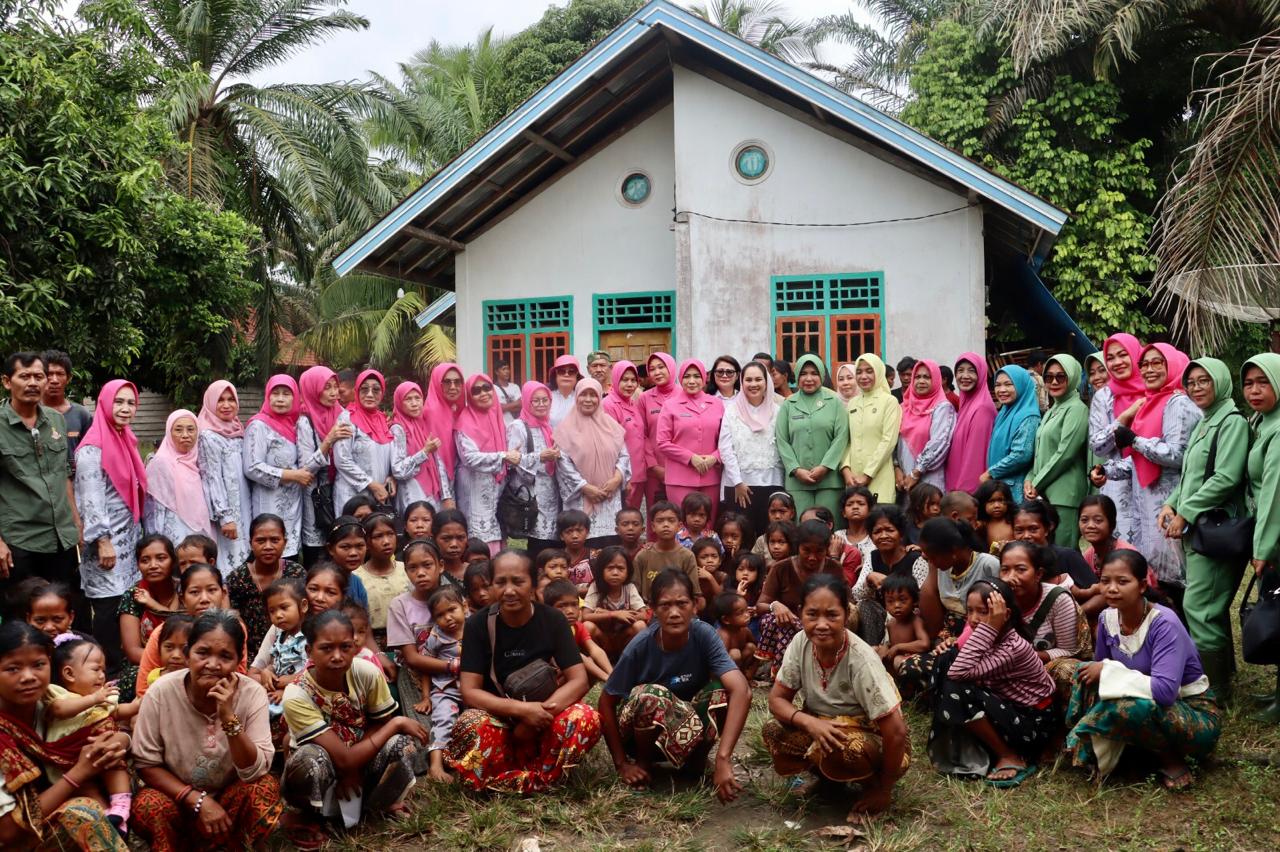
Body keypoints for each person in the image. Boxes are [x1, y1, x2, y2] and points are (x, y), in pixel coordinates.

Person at [446, 550, 602, 793]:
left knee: (585, 718)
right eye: (500, 582)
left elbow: (578, 680)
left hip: (547, 716)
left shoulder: (553, 620)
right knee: (470, 725)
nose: (509, 591)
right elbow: (470, 691)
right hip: (500, 719)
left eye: (518, 581)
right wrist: (521, 711)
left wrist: (536, 719)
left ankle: (526, 778)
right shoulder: (478, 625)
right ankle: (535, 778)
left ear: (532, 584)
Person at [1064, 550, 1220, 790]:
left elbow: (1166, 692)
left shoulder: (1164, 623)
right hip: (1146, 704)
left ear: (1142, 585)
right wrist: (1102, 672)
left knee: (1128, 705)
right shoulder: (1107, 619)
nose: (1112, 589)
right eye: (1105, 581)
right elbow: (1102, 674)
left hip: (1191, 711)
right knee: (1084, 672)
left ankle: (1170, 758)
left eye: (1122, 581)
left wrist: (1107, 672)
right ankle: (1113, 748)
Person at [131, 610, 282, 851]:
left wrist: (228, 717)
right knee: (148, 804)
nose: (212, 665)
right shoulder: (160, 692)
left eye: (225, 656)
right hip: (179, 800)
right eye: (202, 653)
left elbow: (255, 770)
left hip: (228, 802)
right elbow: (146, 764)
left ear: (237, 660)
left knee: (264, 789)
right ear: (187, 653)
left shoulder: (252, 694)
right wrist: (196, 799)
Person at [598, 569, 750, 801]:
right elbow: (606, 702)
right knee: (649, 696)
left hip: (688, 726)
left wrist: (723, 757)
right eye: (665, 605)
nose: (675, 613)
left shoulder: (704, 634)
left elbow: (742, 690)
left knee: (722, 689)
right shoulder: (640, 645)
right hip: (641, 733)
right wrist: (621, 764)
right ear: (653, 609)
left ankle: (697, 762)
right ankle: (644, 764)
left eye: (682, 603)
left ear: (695, 605)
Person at [762, 575, 909, 815]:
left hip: (876, 739)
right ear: (800, 613)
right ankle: (830, 782)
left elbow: (896, 732)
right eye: (812, 614)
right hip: (824, 726)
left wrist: (885, 790)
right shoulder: (801, 642)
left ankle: (871, 785)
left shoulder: (861, 660)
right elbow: (776, 700)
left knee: (846, 748)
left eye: (832, 615)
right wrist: (810, 722)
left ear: (846, 614)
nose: (821, 624)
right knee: (774, 732)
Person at [282, 611, 428, 842]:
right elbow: (346, 757)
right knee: (308, 760)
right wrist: (397, 722)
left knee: (401, 745)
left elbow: (378, 722)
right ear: (309, 651)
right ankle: (308, 816)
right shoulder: (297, 694)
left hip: (359, 758)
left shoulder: (366, 672)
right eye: (327, 648)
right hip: (326, 768)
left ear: (356, 648)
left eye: (346, 647)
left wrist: (354, 771)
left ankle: (380, 804)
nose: (337, 656)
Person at [1156, 357, 1249, 695]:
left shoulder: (1231, 422)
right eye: (1191, 382)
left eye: (1203, 381)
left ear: (1221, 382)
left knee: (1199, 605)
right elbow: (1191, 475)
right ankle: (1222, 677)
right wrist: (1172, 502)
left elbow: (1226, 477)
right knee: (1208, 604)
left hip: (1216, 526)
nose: (1196, 388)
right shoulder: (1206, 421)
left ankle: (1214, 689)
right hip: (1201, 525)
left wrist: (1187, 511)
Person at [0, 622, 130, 852]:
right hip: (20, 837)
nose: (28, 676)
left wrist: (118, 742)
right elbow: (7, 831)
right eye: (13, 669)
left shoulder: (55, 701)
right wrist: (79, 772)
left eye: (39, 664)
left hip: (65, 800)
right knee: (84, 812)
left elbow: (104, 720)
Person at [1092, 343, 1199, 601]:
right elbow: (1140, 460)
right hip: (1148, 504)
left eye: (1157, 363)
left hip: (1168, 504)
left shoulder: (1178, 403)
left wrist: (1135, 440)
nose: (1149, 370)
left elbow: (1177, 454)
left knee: (1177, 585)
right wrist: (1108, 470)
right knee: (1156, 581)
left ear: (1171, 365)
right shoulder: (1154, 402)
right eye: (1146, 364)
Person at [928, 578, 1055, 785]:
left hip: (1030, 725)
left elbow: (958, 673)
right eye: (970, 611)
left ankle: (1010, 755)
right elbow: (957, 664)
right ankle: (966, 743)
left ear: (1004, 615)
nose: (974, 619)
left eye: (984, 612)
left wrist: (991, 627)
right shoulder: (985, 636)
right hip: (1006, 709)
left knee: (957, 686)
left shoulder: (1012, 648)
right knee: (946, 659)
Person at [0, 353, 84, 624]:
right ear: (6, 382)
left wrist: (75, 523)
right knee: (22, 619)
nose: (33, 383)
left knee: (65, 613)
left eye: (39, 376)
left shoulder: (56, 421)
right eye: (24, 376)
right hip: (19, 540)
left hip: (60, 537)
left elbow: (62, 476)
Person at [75, 379, 146, 674]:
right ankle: (105, 670)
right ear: (104, 403)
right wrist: (102, 540)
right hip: (106, 543)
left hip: (128, 540)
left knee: (127, 604)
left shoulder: (125, 440)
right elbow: (90, 500)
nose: (125, 408)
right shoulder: (93, 448)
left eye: (130, 403)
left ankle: (126, 666)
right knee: (107, 608)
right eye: (119, 402)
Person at [243, 375, 321, 561]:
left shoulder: (296, 424)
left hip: (293, 502)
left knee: (289, 552)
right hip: (269, 501)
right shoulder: (259, 425)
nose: (280, 398)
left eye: (286, 394)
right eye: (275, 393)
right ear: (267, 397)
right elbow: (252, 467)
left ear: (295, 398)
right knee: (269, 550)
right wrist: (293, 475)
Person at [998, 541, 1090, 694]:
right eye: (1005, 570)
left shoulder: (1057, 599)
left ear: (1038, 574)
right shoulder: (995, 598)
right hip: (1002, 669)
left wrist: (1029, 656)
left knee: (1067, 671)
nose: (1011, 577)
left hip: (1045, 669)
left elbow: (1070, 650)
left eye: (1021, 569)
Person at [1242, 353, 1280, 722]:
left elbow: (1273, 493)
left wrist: (1263, 547)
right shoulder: (1264, 421)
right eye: (1249, 383)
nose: (1254, 390)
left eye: (1263, 382)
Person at [755, 520, 846, 674]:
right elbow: (760, 606)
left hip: (822, 625)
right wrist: (775, 605)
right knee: (774, 621)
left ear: (827, 550)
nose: (812, 557)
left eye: (819, 551)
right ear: (797, 547)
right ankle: (785, 673)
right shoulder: (780, 568)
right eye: (806, 550)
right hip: (788, 625)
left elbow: (847, 603)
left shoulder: (833, 568)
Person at [555, 377, 629, 544]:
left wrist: (617, 479)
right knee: (582, 542)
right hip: (581, 498)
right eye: (583, 394)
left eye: (593, 395)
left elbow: (623, 455)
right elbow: (563, 464)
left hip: (609, 495)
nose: (588, 399)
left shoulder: (611, 426)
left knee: (610, 544)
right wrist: (586, 488)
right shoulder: (565, 429)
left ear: (599, 398)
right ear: (576, 397)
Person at [1026, 355, 1090, 546]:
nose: (1054, 382)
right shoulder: (1053, 410)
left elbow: (1065, 453)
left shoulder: (1077, 409)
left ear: (1073, 377)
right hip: (1045, 493)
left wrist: (1036, 482)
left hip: (1065, 496)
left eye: (1061, 377)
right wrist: (1029, 479)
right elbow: (1039, 453)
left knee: (1063, 555)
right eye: (1048, 377)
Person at [775, 355, 850, 518]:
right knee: (802, 529)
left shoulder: (834, 402)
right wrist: (796, 469)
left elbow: (841, 437)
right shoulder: (789, 404)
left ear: (822, 375)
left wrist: (825, 466)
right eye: (803, 373)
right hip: (797, 482)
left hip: (829, 481)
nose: (809, 378)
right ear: (797, 377)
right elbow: (782, 440)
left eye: (814, 373)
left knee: (829, 525)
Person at [1088, 333, 1146, 542]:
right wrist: (1122, 419)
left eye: (1123, 355)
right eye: (1110, 358)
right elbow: (1097, 446)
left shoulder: (1153, 390)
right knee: (1120, 555)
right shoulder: (1104, 396)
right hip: (1116, 488)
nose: (1117, 362)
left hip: (1153, 483)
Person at [718, 360, 783, 536]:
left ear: (766, 382)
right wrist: (738, 482)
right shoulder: (731, 411)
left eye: (758, 379)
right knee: (741, 535)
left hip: (772, 483)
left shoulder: (779, 411)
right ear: (742, 382)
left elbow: (783, 446)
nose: (753, 384)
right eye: (748, 380)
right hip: (739, 486)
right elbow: (725, 448)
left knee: (770, 535)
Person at [296, 366, 353, 566]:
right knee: (319, 556)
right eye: (326, 387)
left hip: (338, 491)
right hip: (316, 496)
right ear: (312, 389)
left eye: (335, 387)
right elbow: (306, 467)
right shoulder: (305, 421)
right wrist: (328, 440)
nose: (333, 393)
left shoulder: (341, 414)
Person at [456, 374, 519, 555]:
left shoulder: (495, 415)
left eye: (487, 388)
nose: (483, 393)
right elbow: (469, 458)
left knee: (503, 537)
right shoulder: (464, 421)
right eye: (476, 391)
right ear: (469, 395)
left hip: (498, 490)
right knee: (480, 540)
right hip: (475, 489)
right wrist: (504, 456)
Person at [226, 514, 306, 654]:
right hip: (249, 654)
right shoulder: (238, 578)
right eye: (261, 541)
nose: (268, 546)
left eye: (275, 540)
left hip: (294, 651)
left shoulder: (296, 573)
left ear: (285, 542)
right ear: (251, 543)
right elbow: (232, 622)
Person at [197, 380, 253, 576]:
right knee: (229, 560)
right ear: (211, 403)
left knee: (246, 555)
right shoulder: (207, 436)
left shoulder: (238, 430)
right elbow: (211, 478)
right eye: (220, 400)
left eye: (231, 400)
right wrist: (225, 517)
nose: (227, 405)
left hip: (245, 505)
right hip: (227, 511)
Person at [117, 535, 182, 703]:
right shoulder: (134, 596)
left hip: (187, 658)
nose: (153, 565)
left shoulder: (186, 589)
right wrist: (168, 664)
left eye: (161, 558)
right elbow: (132, 651)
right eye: (145, 560)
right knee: (133, 677)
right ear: (138, 565)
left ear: (173, 561)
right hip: (147, 662)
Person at [657, 360, 723, 524]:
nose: (691, 381)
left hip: (710, 476)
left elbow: (727, 440)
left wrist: (715, 457)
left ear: (704, 378)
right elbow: (663, 442)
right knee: (681, 526)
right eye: (687, 376)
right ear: (680, 378)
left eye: (696, 376)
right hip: (679, 478)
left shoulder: (717, 404)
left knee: (707, 524)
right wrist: (690, 457)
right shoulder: (670, 405)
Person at [144, 410, 213, 548]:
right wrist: (157, 542)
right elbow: (154, 509)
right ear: (169, 433)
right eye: (178, 430)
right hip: (173, 533)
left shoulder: (198, 462)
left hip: (199, 531)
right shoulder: (160, 463)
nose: (185, 435)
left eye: (191, 429)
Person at [333, 370, 396, 516]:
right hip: (352, 495)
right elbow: (342, 460)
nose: (369, 394)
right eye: (364, 389)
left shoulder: (383, 420)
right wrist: (372, 485)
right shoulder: (347, 418)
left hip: (379, 497)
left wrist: (392, 477)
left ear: (382, 393)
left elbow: (387, 458)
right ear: (356, 391)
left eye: (376, 390)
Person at [840, 353, 900, 505]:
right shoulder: (853, 403)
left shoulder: (889, 402)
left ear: (879, 372)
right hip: (853, 479)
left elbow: (888, 441)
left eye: (869, 371)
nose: (863, 376)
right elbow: (847, 441)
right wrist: (846, 470)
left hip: (879, 476)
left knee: (880, 523)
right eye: (859, 372)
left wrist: (867, 475)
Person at [390, 380, 453, 514]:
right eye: (408, 399)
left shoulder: (423, 424)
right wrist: (424, 452)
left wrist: (446, 495)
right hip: (412, 491)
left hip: (431, 491)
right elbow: (398, 469)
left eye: (417, 398)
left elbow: (437, 461)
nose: (414, 403)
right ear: (399, 402)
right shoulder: (398, 428)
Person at [895, 359, 956, 493]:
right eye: (917, 377)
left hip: (928, 479)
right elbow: (895, 443)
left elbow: (939, 443)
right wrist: (896, 468)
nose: (921, 381)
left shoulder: (942, 408)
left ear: (936, 380)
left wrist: (916, 473)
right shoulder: (904, 407)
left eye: (927, 377)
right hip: (904, 480)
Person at [983, 365, 1040, 492]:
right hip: (1000, 486)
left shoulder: (1029, 416)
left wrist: (991, 473)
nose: (1002, 390)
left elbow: (1021, 455)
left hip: (1014, 489)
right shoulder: (1004, 413)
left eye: (1008, 384)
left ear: (1021, 385)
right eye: (998, 385)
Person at [602, 360, 647, 510]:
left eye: (633, 380)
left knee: (633, 519)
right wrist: (622, 477)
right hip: (623, 474)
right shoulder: (609, 404)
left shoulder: (632, 403)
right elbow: (611, 445)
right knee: (623, 521)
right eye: (625, 380)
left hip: (639, 472)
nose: (630, 384)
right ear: (615, 379)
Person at [634, 501, 699, 602]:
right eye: (660, 521)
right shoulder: (643, 556)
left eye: (671, 520)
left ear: (679, 526)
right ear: (653, 526)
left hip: (679, 609)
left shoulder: (687, 556)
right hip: (649, 611)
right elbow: (634, 593)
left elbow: (695, 593)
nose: (665, 525)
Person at [639, 352, 678, 515]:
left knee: (679, 513)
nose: (657, 372)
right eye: (652, 369)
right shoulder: (644, 398)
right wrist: (654, 466)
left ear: (671, 368)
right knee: (656, 515)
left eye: (661, 367)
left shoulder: (683, 394)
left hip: (680, 467)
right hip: (654, 469)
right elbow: (642, 434)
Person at [423, 362, 466, 499]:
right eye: (447, 382)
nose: (453, 387)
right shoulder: (432, 412)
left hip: (458, 482)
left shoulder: (458, 410)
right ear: (437, 383)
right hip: (440, 488)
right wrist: (446, 496)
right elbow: (437, 458)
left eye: (457, 382)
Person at [39, 351, 92, 458]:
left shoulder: (82, 415)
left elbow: (90, 453)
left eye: (60, 374)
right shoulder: (29, 412)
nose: (54, 380)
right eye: (49, 374)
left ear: (69, 378)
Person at [548, 355, 581, 427]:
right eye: (561, 371)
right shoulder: (547, 397)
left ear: (577, 376)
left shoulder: (583, 397)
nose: (566, 375)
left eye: (571, 372)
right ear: (555, 375)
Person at [492, 358, 523, 425]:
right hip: (501, 425)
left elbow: (521, 405)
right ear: (497, 372)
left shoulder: (515, 387)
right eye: (504, 369)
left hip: (516, 425)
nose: (507, 371)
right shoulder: (493, 388)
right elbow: (496, 408)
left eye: (508, 369)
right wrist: (515, 403)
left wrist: (504, 407)